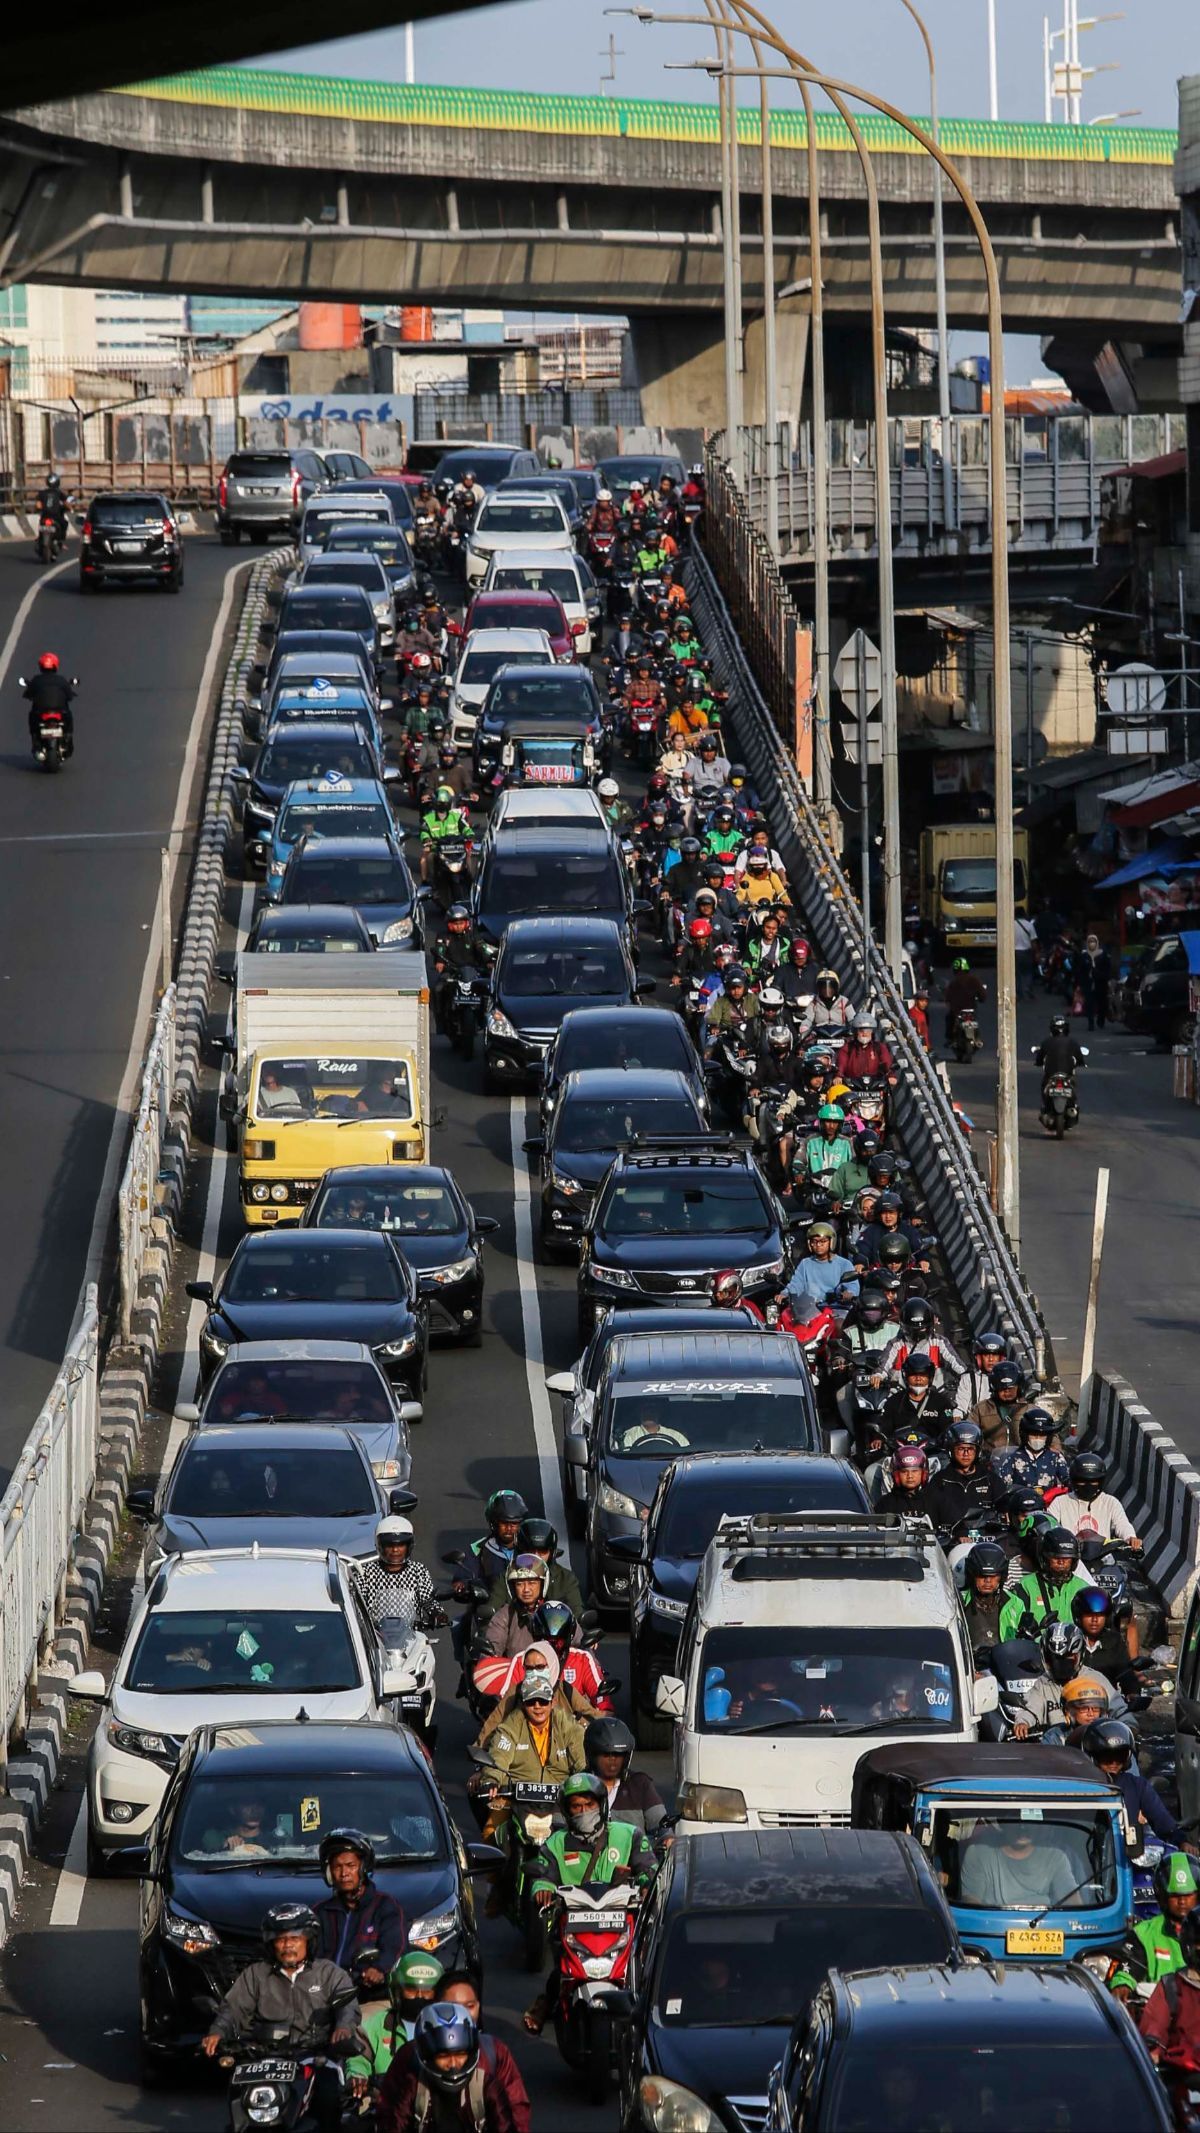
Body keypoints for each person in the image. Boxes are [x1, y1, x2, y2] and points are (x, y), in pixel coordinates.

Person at [200, 1904, 360, 2129]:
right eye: (280, 1939)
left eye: (295, 1938)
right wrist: (217, 2032)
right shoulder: (256, 1974)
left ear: (309, 1940)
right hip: (263, 2058)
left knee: (329, 2098)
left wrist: (343, 2028)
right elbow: (233, 2008)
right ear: (271, 1944)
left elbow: (347, 2006)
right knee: (240, 2103)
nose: (287, 1945)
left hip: (315, 2057)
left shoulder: (330, 1973)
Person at [524, 1773, 657, 2033]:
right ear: (567, 1810)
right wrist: (543, 1888)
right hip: (574, 1925)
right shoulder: (556, 1843)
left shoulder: (628, 1835)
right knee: (562, 1968)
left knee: (648, 1970)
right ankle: (548, 2002)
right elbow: (541, 1872)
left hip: (620, 1922)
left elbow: (649, 1867)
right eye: (576, 1807)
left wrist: (644, 1883)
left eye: (589, 1805)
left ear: (602, 1806)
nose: (584, 1812)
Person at [375, 2002, 527, 2133]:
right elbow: (395, 2125)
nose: (453, 2064)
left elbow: (505, 2127)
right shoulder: (415, 2086)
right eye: (443, 2056)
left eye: (460, 2054)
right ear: (428, 2055)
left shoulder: (487, 2087)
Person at [437, 1973, 532, 2133]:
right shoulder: (414, 2053)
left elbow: (517, 2108)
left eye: (470, 2006)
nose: (463, 2014)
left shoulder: (495, 2051)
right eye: (455, 2007)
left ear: (479, 2007)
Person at [315, 1829, 404, 1996]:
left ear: (363, 1868)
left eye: (351, 1866)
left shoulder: (385, 1906)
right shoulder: (321, 1912)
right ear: (329, 1873)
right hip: (324, 1996)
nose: (344, 1873)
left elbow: (394, 1948)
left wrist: (378, 1969)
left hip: (367, 1996)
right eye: (337, 1867)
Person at [1110, 1854, 1200, 2005]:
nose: (1182, 1901)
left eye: (1188, 1894)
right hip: (1159, 2013)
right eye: (1175, 1895)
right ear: (1162, 1895)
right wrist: (1123, 1984)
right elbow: (1129, 1966)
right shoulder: (1144, 1933)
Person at [1082, 1718, 1187, 1847]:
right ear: (1092, 1756)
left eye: (1120, 1756)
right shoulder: (1080, 1787)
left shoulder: (1137, 1785)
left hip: (1129, 1855)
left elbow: (1163, 1821)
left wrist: (1182, 1841)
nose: (1114, 1763)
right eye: (1107, 1757)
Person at [346, 1952, 445, 2080]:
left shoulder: (447, 2025)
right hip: (385, 2096)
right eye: (411, 1990)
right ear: (396, 1992)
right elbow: (358, 2060)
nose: (419, 1996)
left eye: (427, 1991)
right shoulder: (376, 2026)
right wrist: (358, 2077)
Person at [351, 1515, 443, 1636]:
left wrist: (437, 1613)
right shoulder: (365, 1572)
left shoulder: (418, 1570)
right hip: (376, 1639)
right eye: (390, 1545)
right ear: (380, 1546)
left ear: (409, 1546)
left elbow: (427, 1599)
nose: (395, 1550)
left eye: (400, 1545)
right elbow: (357, 1605)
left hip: (412, 1637)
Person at [584, 1716, 670, 1843]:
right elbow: (558, 1831)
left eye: (618, 1755)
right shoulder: (575, 1786)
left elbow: (662, 1826)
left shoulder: (641, 1785)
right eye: (606, 1754)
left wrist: (668, 1839)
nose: (612, 1760)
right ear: (592, 1755)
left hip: (634, 1860)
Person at [958, 1822, 1079, 1911]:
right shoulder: (978, 1853)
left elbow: (1073, 1904)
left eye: (1029, 1820)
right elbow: (972, 1905)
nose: (1023, 1827)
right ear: (1002, 1822)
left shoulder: (1055, 1857)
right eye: (1016, 1821)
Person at [998, 1524, 1091, 1641]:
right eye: (1056, 1557)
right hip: (1037, 1652)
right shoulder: (1025, 1586)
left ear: (1074, 1560)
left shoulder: (1084, 1588)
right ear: (1045, 1557)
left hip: (1074, 1651)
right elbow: (1013, 1626)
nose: (1061, 1562)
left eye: (1066, 1558)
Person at [925, 1419, 1005, 1530]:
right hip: (951, 1540)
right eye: (961, 1448)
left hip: (986, 1539)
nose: (966, 1454)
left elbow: (1003, 1511)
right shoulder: (939, 1481)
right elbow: (931, 1517)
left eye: (971, 1449)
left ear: (977, 1451)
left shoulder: (990, 1479)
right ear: (951, 1450)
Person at [1054, 1452, 1140, 1546]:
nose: (1088, 1486)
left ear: (1101, 1481)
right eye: (1082, 1481)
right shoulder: (1060, 1502)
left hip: (1104, 1557)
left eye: (1093, 1481)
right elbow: (1050, 1524)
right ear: (1074, 1481)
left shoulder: (1110, 1502)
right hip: (1070, 1557)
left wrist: (1130, 1537)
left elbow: (1122, 1524)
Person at [481, 1554, 551, 1659]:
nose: (526, 1589)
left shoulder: (555, 1611)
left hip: (553, 1673)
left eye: (532, 1583)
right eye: (520, 1584)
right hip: (515, 1673)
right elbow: (493, 1647)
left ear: (542, 1584)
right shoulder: (505, 1615)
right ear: (512, 1587)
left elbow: (577, 1646)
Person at [994, 1405, 1071, 1498]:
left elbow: (1068, 1481)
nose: (1038, 1439)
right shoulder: (1013, 1458)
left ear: (1048, 1437)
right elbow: (1002, 1487)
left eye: (1042, 1435)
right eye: (1034, 1435)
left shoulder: (1056, 1457)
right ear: (1025, 1434)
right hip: (1021, 1507)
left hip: (1049, 1507)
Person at [785, 1221, 858, 1314]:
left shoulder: (844, 1264)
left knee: (839, 1326)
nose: (818, 1245)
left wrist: (849, 1293)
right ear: (809, 1243)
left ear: (831, 1242)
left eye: (823, 1241)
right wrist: (784, 1294)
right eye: (814, 1241)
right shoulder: (805, 1264)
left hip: (836, 1308)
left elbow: (853, 1285)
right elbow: (796, 1284)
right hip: (811, 1310)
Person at [972, 1359, 1033, 1453]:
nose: (1007, 1392)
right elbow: (969, 1432)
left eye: (1011, 1388)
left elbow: (1049, 1434)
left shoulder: (1030, 1410)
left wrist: (1055, 1449)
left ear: (1019, 1388)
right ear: (994, 1388)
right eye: (1002, 1389)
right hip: (991, 1462)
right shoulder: (980, 1409)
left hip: (1024, 1460)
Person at [23, 652, 77, 754]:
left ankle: (36, 741)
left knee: (32, 719)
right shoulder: (61, 680)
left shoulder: (36, 680)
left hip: (40, 712)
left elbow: (28, 694)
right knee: (69, 717)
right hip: (60, 712)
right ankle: (67, 737)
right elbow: (69, 696)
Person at [961, 1540, 1008, 1653]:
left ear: (1002, 1576)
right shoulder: (958, 1601)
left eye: (993, 1576)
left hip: (1006, 1665)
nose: (987, 1581)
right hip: (971, 1665)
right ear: (971, 1574)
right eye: (982, 1575)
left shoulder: (1015, 1603)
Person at [420, 787, 472, 884]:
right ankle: (429, 883)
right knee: (428, 856)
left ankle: (470, 878)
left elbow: (465, 827)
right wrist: (426, 839)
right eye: (440, 803)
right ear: (435, 803)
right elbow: (424, 832)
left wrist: (470, 834)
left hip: (456, 849)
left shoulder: (456, 816)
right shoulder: (428, 819)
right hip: (437, 850)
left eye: (445, 804)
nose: (442, 806)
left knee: (468, 853)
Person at [1032, 1013, 1087, 1101]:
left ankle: (1046, 1107)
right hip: (1067, 1074)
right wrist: (1082, 1063)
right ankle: (1072, 1105)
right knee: (1073, 1084)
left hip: (1051, 1074)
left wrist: (1038, 1062)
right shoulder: (1072, 1042)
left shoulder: (1046, 1042)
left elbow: (1039, 1058)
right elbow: (1079, 1057)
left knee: (1044, 1086)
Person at [876, 1441, 936, 1517]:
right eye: (904, 1472)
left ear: (923, 1473)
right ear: (896, 1475)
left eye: (914, 1471)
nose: (910, 1476)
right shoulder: (885, 1503)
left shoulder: (934, 1501)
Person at [834, 1014, 896, 1085]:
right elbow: (841, 1064)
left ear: (872, 1032)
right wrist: (839, 1076)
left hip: (875, 1085)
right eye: (861, 1030)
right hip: (852, 1085)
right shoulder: (847, 1047)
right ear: (855, 1032)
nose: (865, 1034)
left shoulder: (880, 1047)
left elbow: (887, 1063)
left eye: (868, 1030)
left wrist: (891, 1076)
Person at [943, 957, 986, 1052]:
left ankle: (950, 1039)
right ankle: (977, 1038)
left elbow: (947, 997)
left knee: (949, 1019)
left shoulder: (953, 983)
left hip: (957, 1012)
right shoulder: (975, 980)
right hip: (971, 1010)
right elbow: (983, 996)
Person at [1078, 933, 1112, 1031]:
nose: (1091, 944)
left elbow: (1107, 969)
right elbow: (1080, 970)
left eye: (1093, 942)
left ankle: (1101, 1020)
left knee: (1102, 1002)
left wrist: (1105, 977)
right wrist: (1081, 983)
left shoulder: (1103, 955)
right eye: (1090, 942)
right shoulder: (1084, 956)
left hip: (1101, 982)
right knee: (1089, 1003)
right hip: (1088, 983)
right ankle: (1091, 1022)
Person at [1013, 911, 1038, 1001]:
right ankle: (1027, 989)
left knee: (1016, 974)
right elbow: (1033, 941)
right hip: (1027, 952)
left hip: (1014, 952)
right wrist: (1036, 953)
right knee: (1028, 972)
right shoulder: (1029, 925)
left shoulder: (1011, 925)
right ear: (1024, 915)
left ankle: (1018, 993)